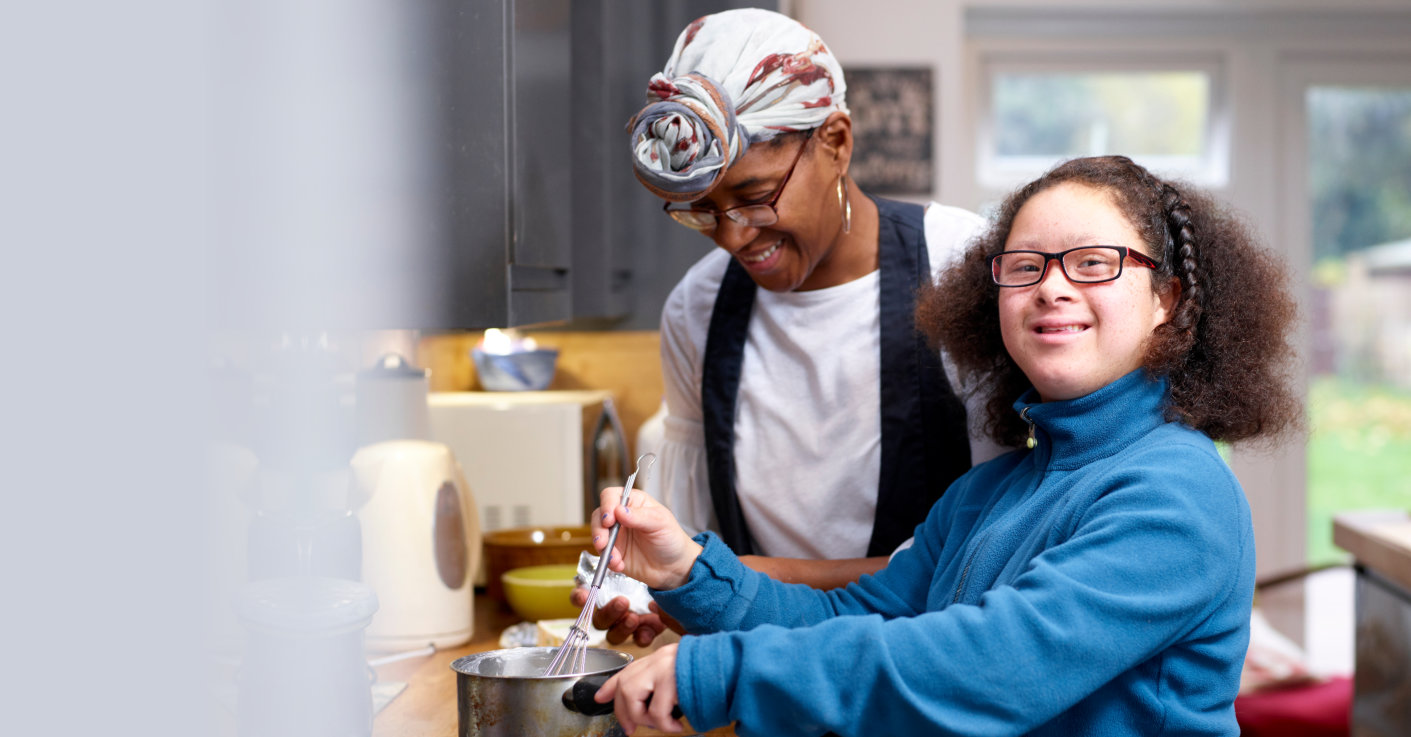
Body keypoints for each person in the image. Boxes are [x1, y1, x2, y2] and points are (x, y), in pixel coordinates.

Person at [588, 155, 1302, 736]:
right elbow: (855, 618)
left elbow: (990, 668)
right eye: (1024, 265)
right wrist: (686, 569)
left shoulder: (1177, 491)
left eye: (1092, 263)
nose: (1050, 288)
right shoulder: (990, 490)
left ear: (1166, 301)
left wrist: (723, 670)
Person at [615, 5, 998, 589]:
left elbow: (993, 555)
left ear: (836, 142)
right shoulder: (698, 308)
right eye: (704, 212)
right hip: (759, 668)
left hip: (921, 668)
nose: (733, 236)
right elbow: (693, 534)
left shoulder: (957, 264)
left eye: (756, 195)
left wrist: (742, 581)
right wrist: (656, 596)